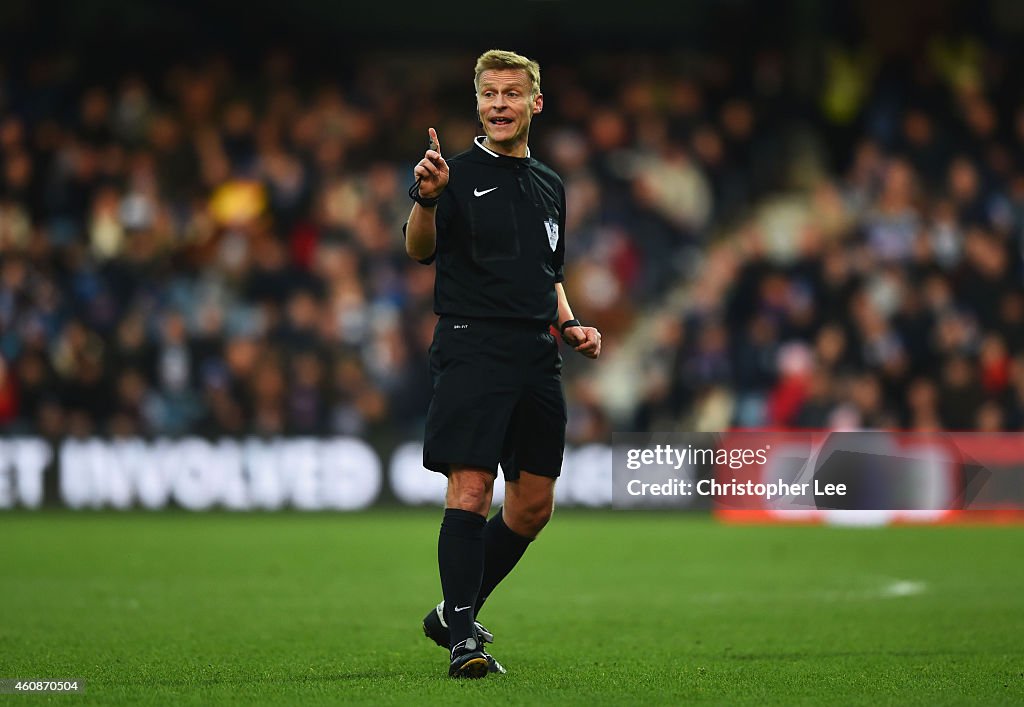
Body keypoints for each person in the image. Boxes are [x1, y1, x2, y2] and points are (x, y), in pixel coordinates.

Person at [404, 49, 602, 679]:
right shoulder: (452, 176)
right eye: (489, 93)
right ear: (478, 104)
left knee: (531, 506)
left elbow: (549, 272)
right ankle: (464, 638)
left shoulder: (550, 184)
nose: (499, 103)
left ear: (534, 103)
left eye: (512, 93)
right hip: (472, 344)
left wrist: (569, 323)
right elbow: (418, 250)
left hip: (536, 352)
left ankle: (451, 613)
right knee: (470, 488)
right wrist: (426, 200)